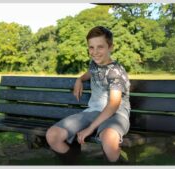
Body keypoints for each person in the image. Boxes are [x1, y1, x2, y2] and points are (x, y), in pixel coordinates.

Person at [46, 26, 131, 164]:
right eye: (91, 47)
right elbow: (89, 74)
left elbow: (113, 105)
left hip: (116, 114)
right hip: (93, 112)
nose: (95, 52)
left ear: (111, 47)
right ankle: (75, 161)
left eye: (100, 47)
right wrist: (79, 79)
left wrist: (89, 129)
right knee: (53, 135)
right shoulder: (94, 65)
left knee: (109, 139)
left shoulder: (115, 71)